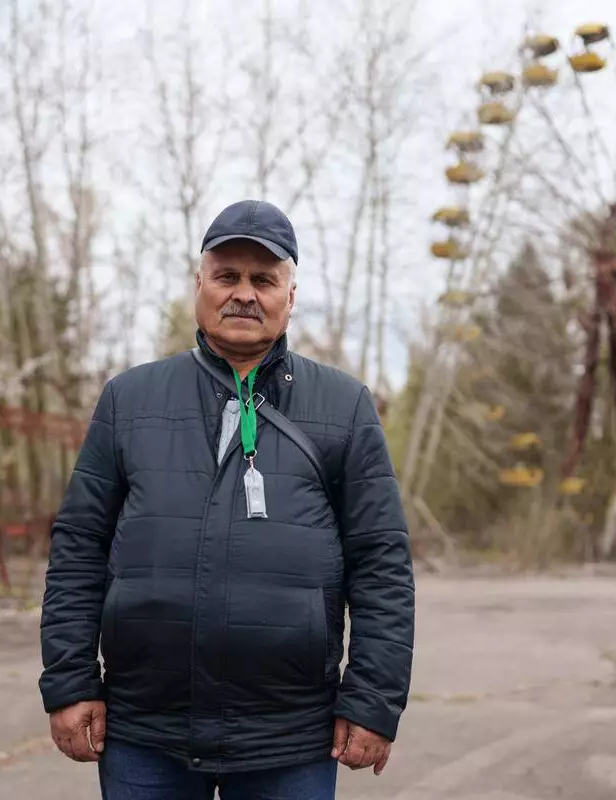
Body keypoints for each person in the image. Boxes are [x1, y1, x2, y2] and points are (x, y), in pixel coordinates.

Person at [38, 199, 415, 799]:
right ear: (200, 285)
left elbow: (382, 565)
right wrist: (71, 681)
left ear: (290, 296)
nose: (244, 294)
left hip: (291, 736)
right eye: (227, 276)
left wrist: (372, 699)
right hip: (145, 729)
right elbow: (79, 548)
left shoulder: (344, 408)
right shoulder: (128, 401)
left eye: (263, 280)